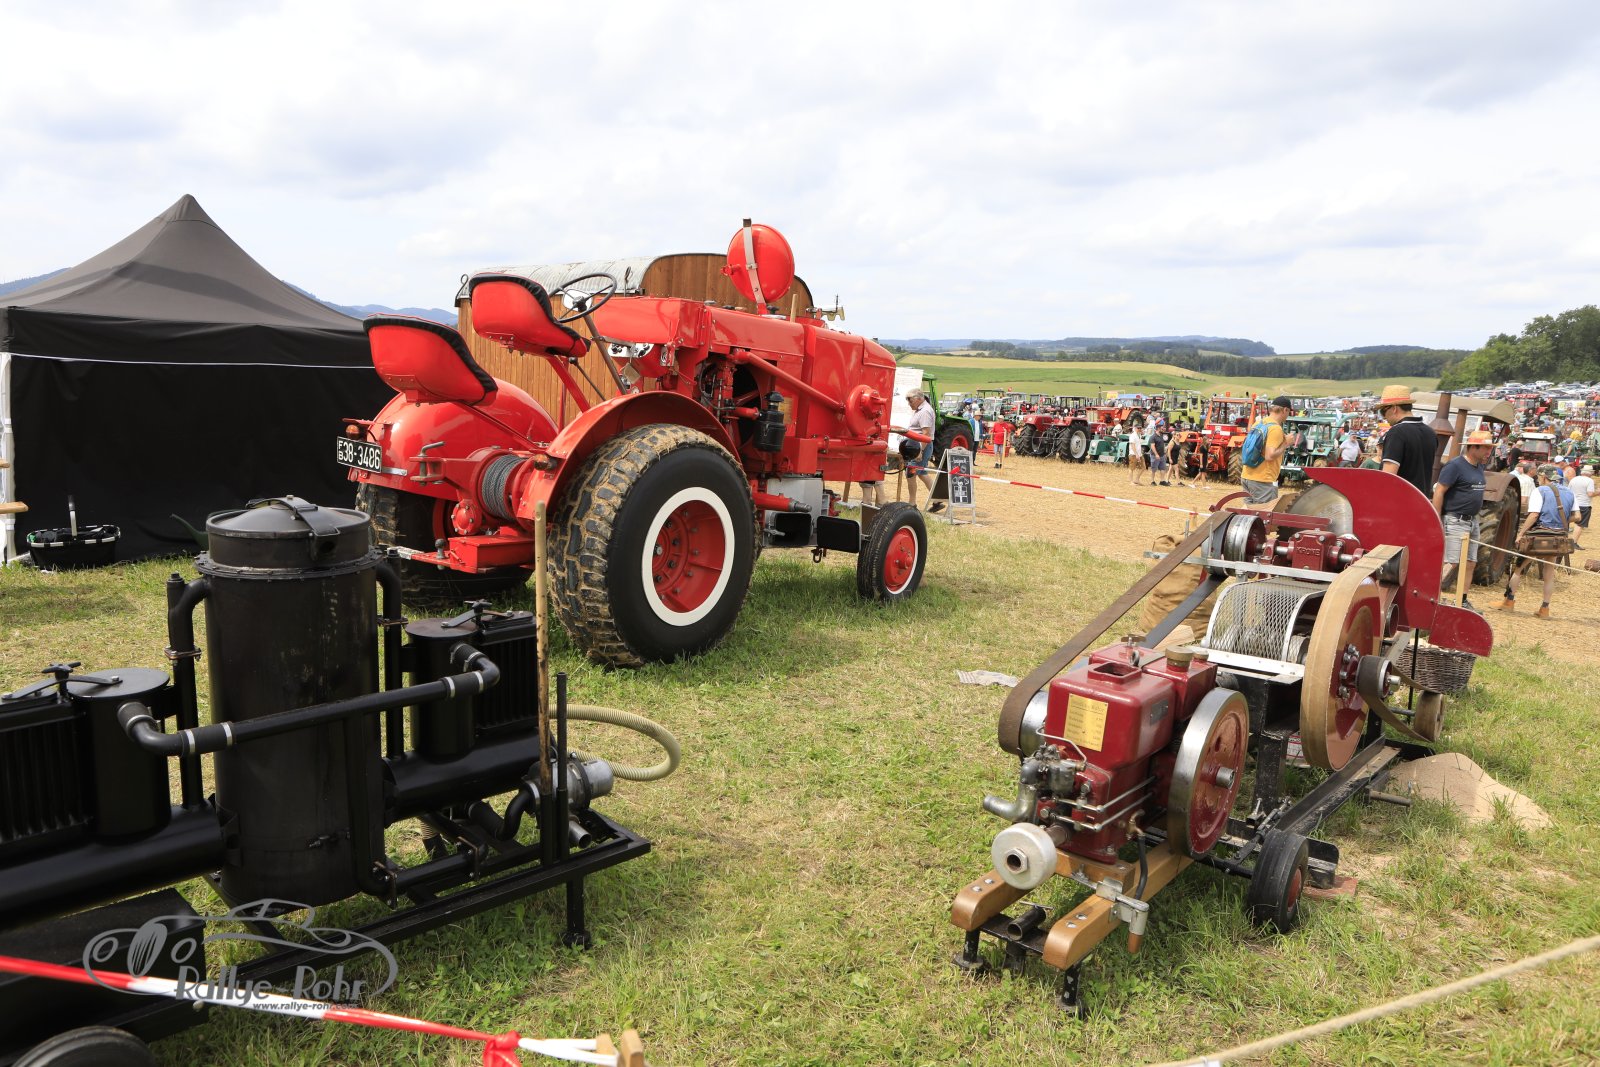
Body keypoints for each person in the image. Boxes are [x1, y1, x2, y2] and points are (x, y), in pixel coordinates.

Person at [1499, 464, 1576, 619]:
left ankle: (1509, 602)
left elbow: (1534, 515)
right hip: (1558, 538)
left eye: (1539, 477)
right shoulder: (1569, 492)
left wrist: (1521, 534)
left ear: (1543, 477)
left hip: (1539, 536)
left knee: (1519, 568)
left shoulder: (1540, 491)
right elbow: (1577, 516)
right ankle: (1544, 609)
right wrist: (1559, 522)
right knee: (1549, 572)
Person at [1433, 429, 1493, 608]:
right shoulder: (1455, 466)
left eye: (1490, 448)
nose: (1489, 452)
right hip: (1455, 520)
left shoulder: (1479, 467)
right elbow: (1439, 491)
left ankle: (1462, 600)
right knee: (1451, 562)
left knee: (1471, 562)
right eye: (1486, 448)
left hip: (1472, 520)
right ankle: (1431, 598)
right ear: (1473, 447)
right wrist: (1436, 518)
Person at [1376, 385, 1437, 498]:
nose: (1384, 417)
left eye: (1383, 411)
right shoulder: (1430, 433)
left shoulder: (1396, 432)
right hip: (1422, 501)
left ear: (1394, 408)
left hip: (1400, 502)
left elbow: (1388, 477)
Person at [1239, 396, 1291, 509]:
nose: (1288, 415)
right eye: (1289, 412)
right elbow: (1270, 455)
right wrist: (1286, 443)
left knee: (1248, 514)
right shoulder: (1275, 429)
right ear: (1285, 410)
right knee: (1265, 515)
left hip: (1247, 476)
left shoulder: (1258, 423)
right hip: (1263, 480)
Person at [891, 389, 939, 511]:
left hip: (920, 447)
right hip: (916, 446)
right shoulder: (921, 410)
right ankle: (937, 499)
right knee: (921, 473)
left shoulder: (925, 411)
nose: (909, 403)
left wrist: (920, 451)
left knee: (910, 474)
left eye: (910, 400)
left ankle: (912, 503)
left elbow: (926, 433)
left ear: (919, 399)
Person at [1569, 463, 1595, 547]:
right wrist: (1598, 492)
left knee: (1567, 521)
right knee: (1579, 524)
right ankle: (1574, 543)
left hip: (1572, 504)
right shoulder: (1590, 481)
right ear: (1590, 473)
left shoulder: (1574, 479)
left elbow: (1568, 491)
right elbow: (1590, 494)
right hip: (1584, 504)